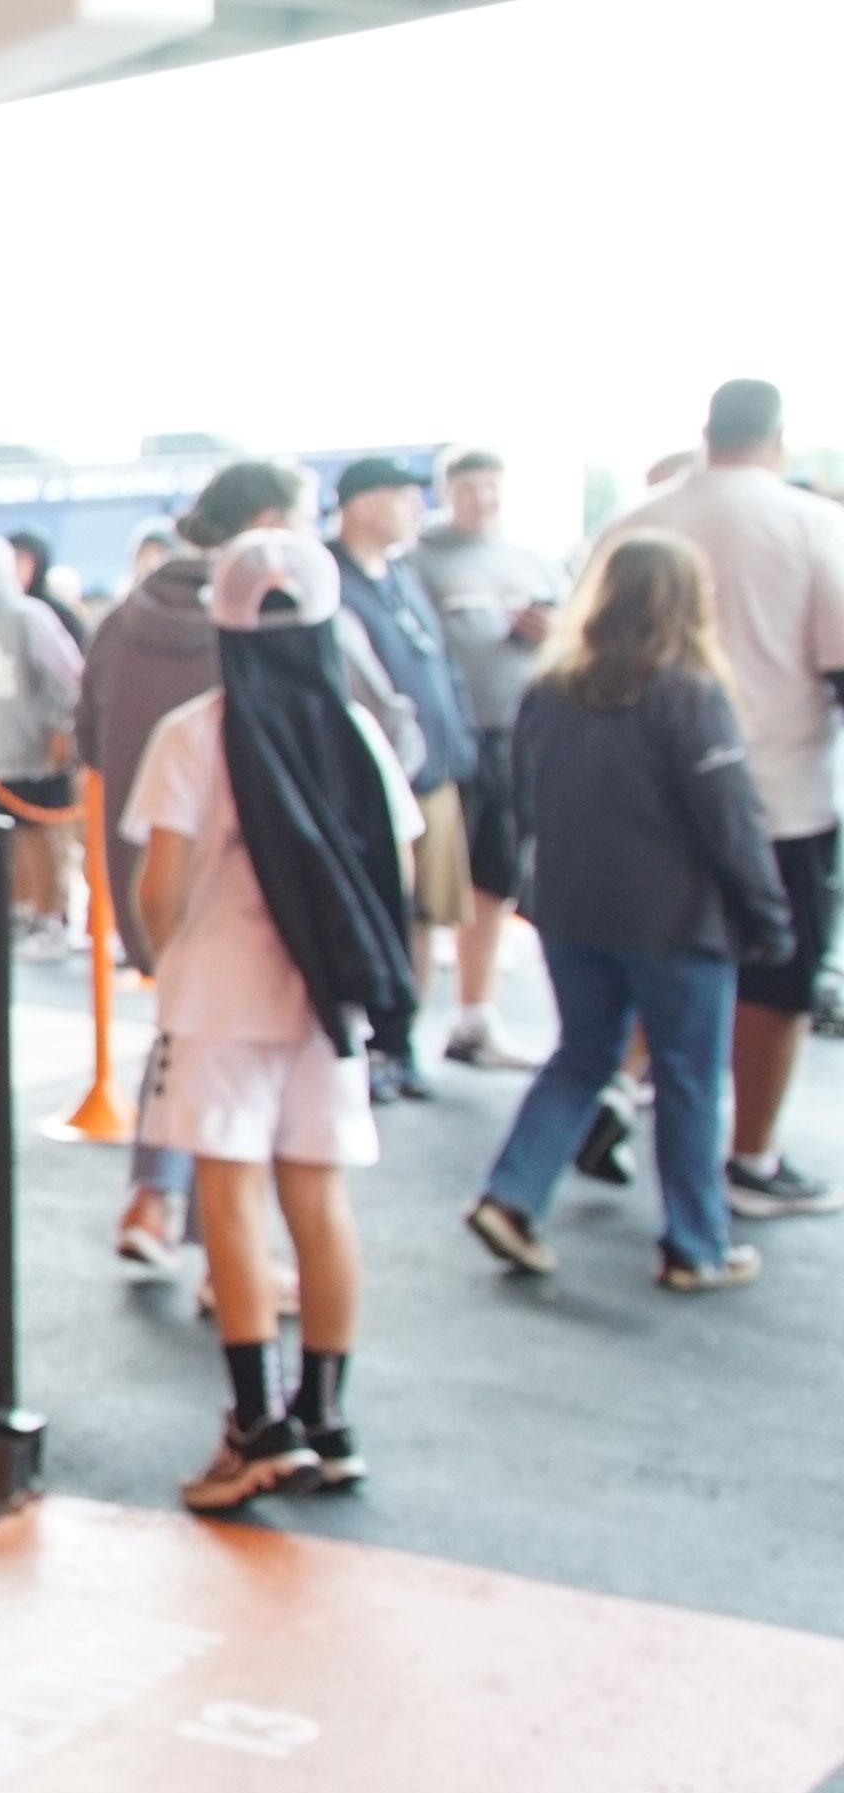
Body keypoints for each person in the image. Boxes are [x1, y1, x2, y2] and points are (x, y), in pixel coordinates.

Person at [126, 532, 419, 1510]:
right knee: (319, 1201)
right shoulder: (357, 731)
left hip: (217, 992)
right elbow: (398, 876)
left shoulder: (194, 731)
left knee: (233, 1200)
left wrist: (171, 957)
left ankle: (255, 1423)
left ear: (225, 618)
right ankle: (327, 1417)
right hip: (324, 999)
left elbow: (159, 881)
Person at [466, 535, 790, 1292]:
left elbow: (524, 798)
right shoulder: (689, 694)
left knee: (582, 1054)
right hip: (675, 920)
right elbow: (730, 819)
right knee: (687, 1079)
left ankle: (511, 1197)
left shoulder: (551, 689)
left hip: (571, 910)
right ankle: (695, 1244)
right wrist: (767, 914)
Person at [608, 381, 844, 1217]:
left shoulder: (635, 522)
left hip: (642, 806)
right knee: (775, 983)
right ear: (778, 438)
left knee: (653, 964)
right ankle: (751, 1159)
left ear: (708, 433)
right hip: (776, 796)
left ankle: (615, 1093)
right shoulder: (812, 523)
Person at [84, 462, 310, 1271]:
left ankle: (156, 1194)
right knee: (244, 1071)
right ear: (272, 519)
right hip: (250, 880)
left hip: (143, 866)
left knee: (185, 1031)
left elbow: (85, 736)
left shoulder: (124, 617)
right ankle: (229, 1256)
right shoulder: (267, 619)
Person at [325, 455, 474, 1104]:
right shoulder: (327, 580)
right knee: (376, 909)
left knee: (425, 912)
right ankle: (369, 1040)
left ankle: (402, 1039)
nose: (417, 509)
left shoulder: (403, 577)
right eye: (401, 496)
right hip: (366, 785)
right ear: (359, 504)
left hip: (431, 773)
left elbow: (440, 666)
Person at [411, 448, 561, 1070]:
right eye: (469, 487)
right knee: (430, 879)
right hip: (443, 740)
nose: (482, 499)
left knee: (496, 874)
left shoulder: (535, 563)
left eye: (491, 487)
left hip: (519, 735)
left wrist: (550, 632)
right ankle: (408, 1025)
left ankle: (475, 1014)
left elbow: (576, 636)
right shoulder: (418, 560)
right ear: (448, 491)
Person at [0, 536, 88, 959]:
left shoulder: (28, 617)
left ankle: (52, 917)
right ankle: (23, 912)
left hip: (38, 752)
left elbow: (65, 677)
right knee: (13, 838)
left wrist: (61, 729)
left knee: (42, 837)